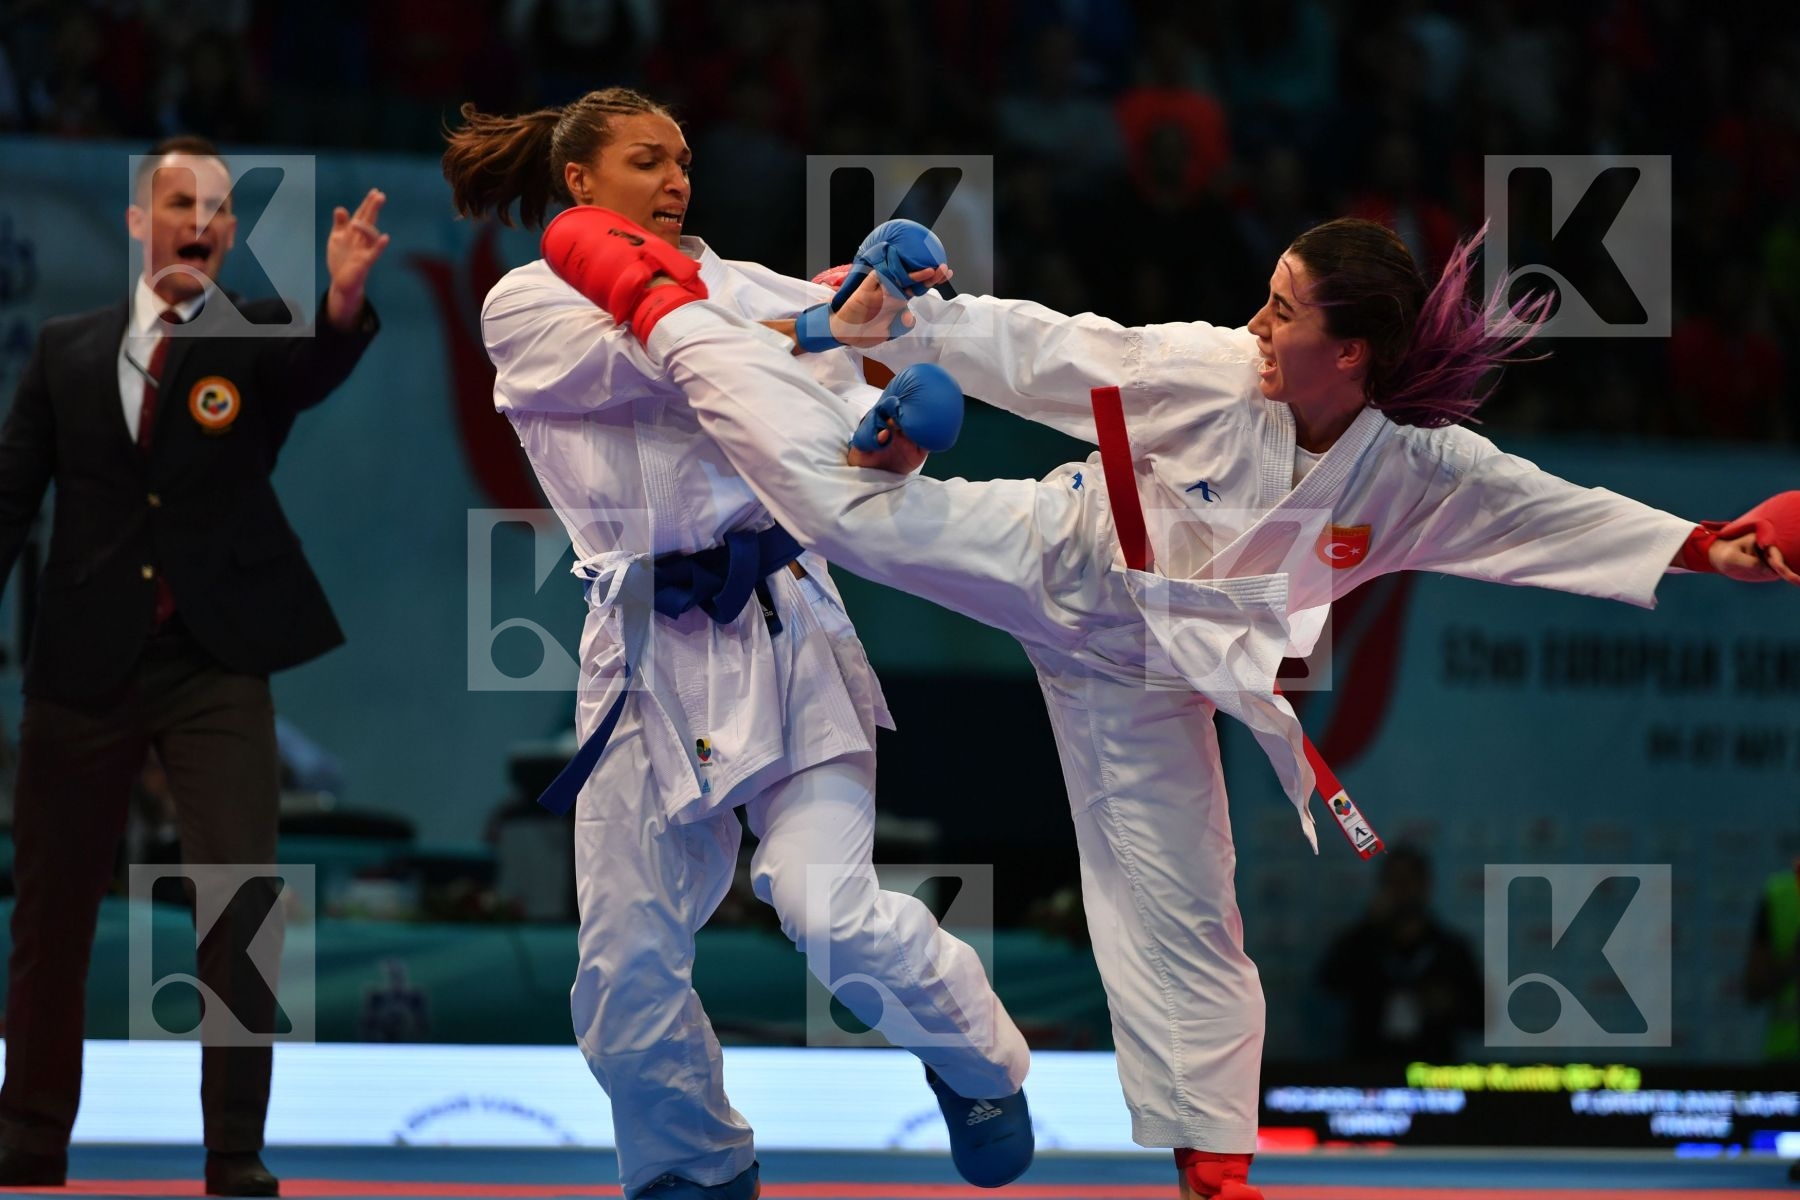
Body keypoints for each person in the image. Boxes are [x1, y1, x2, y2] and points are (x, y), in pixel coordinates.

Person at [538, 208, 1800, 1200]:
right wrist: (918, 315)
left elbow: (1549, 515)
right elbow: (1054, 349)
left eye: (1284, 309)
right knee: (838, 509)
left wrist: (1715, 548)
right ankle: (698, 304)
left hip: (1153, 671)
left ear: (1349, 353)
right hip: (1055, 550)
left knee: (1186, 898)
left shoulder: (1418, 477)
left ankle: (1212, 1163)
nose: (1257, 320)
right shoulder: (1212, 371)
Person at [440, 89, 1031, 1200]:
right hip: (641, 658)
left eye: (684, 162)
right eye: (646, 161)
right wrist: (826, 320)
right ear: (577, 186)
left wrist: (890, 417)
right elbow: (669, 351)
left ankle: (978, 1061)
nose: (675, 181)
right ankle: (695, 1172)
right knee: (621, 982)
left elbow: (854, 465)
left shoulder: (756, 285)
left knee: (823, 908)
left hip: (783, 623)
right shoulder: (525, 302)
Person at [0, 136, 386, 1196]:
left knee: (242, 901)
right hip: (85, 662)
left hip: (214, 661)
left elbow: (310, 366)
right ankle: (29, 1138)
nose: (202, 220)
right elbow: (8, 499)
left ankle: (233, 1151)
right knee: (53, 909)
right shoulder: (67, 352)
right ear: (141, 223)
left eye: (218, 206)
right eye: (180, 202)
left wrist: (343, 298)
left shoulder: (250, 341)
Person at [1316, 845, 1483, 1061]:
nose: (1400, 891)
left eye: (1407, 881)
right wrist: (1368, 926)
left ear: (1425, 886)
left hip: (1433, 1075)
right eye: (1392, 882)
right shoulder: (1363, 943)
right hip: (1368, 1072)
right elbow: (1329, 981)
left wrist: (1450, 1004)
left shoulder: (1451, 949)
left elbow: (1479, 1018)